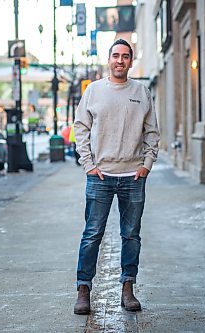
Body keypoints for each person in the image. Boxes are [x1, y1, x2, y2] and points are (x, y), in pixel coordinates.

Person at [73, 39, 160, 315]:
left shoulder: (141, 91)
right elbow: (81, 128)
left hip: (133, 177)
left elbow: (152, 132)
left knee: (131, 235)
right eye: (115, 56)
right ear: (108, 60)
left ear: (131, 62)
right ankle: (84, 290)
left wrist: (146, 164)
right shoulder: (94, 91)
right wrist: (88, 164)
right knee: (92, 235)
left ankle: (128, 288)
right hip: (100, 176)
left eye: (125, 56)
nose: (120, 60)